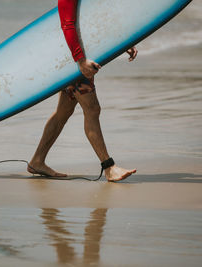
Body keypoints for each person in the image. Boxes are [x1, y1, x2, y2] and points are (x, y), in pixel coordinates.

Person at [28, 0, 137, 182]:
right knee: (92, 109)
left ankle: (37, 161)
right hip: (75, 61)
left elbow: (89, 22)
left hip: (75, 59)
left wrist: (121, 44)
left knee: (63, 112)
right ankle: (109, 167)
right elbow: (67, 24)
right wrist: (80, 61)